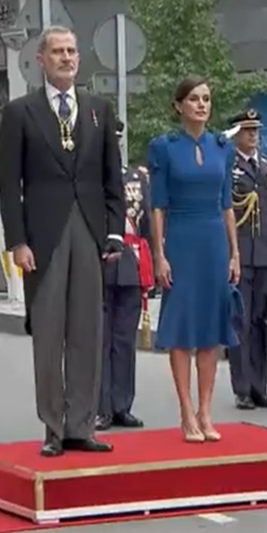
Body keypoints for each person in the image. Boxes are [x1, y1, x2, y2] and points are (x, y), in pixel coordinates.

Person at [0, 25, 126, 458]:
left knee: (88, 332)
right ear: (41, 59)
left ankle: (81, 426)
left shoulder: (98, 109)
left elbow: (113, 176)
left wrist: (113, 231)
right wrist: (17, 240)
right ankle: (53, 426)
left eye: (72, 51)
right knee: (49, 333)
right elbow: (9, 182)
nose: (67, 58)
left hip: (89, 231)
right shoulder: (20, 112)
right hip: (44, 236)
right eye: (57, 52)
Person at [149, 77, 241, 443]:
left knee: (210, 329)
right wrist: (159, 253)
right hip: (182, 240)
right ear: (179, 106)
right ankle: (186, 411)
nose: (201, 105)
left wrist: (235, 252)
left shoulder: (222, 147)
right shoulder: (164, 147)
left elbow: (227, 204)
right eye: (193, 99)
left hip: (215, 242)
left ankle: (205, 410)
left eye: (206, 99)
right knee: (183, 328)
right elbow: (158, 205)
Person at [224, 109, 267, 411]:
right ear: (235, 133)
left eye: (256, 130)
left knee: (262, 323)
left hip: (266, 254)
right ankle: (243, 388)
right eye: (247, 130)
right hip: (238, 257)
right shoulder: (227, 166)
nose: (253, 135)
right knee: (241, 322)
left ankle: (261, 386)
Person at [97, 120, 150, 432]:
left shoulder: (137, 178)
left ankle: (122, 405)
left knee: (124, 340)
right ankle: (101, 407)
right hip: (99, 262)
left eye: (115, 141)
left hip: (130, 264)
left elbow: (150, 224)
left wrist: (155, 262)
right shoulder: (90, 178)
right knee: (100, 339)